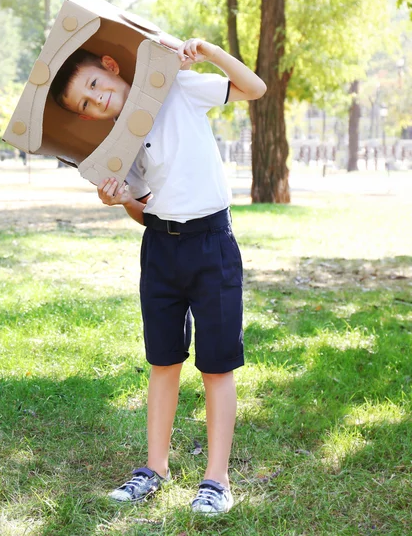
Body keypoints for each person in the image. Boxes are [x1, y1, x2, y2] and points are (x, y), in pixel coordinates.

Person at [50, 38, 266, 514]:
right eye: (86, 103)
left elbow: (253, 88)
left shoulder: (179, 88)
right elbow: (144, 212)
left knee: (216, 365)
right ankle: (154, 469)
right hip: (161, 251)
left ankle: (217, 479)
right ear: (85, 117)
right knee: (163, 361)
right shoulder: (117, 146)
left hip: (212, 244)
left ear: (110, 67)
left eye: (94, 84)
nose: (96, 99)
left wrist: (208, 52)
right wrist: (121, 198)